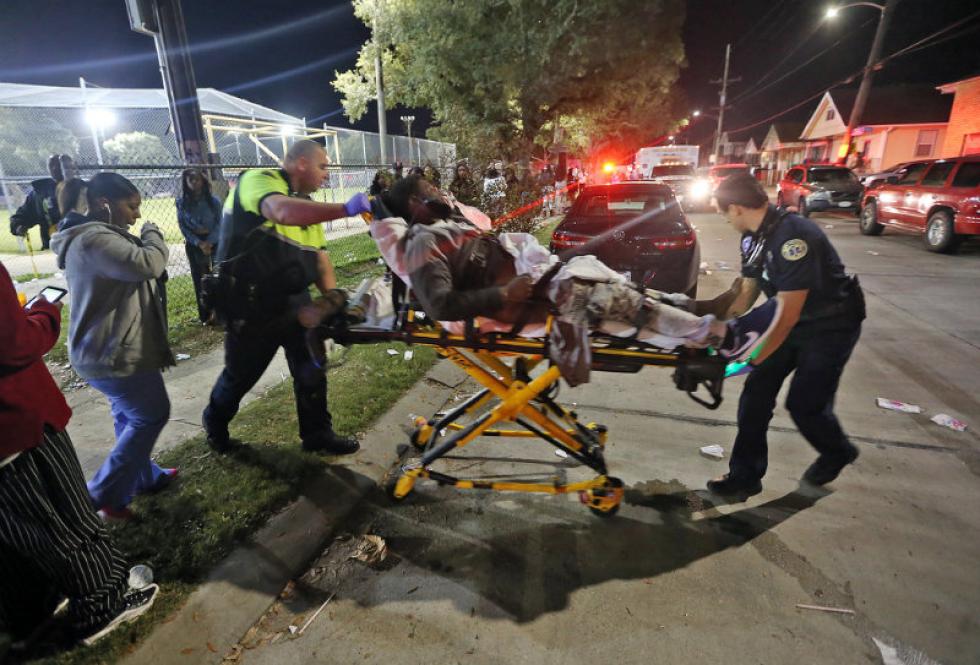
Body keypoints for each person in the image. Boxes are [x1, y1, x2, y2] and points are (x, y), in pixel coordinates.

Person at [368, 175, 775, 356]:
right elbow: (439, 305)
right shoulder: (425, 241)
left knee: (631, 295)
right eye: (432, 190)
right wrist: (502, 294)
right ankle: (719, 335)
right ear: (418, 205)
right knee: (627, 305)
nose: (442, 193)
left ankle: (705, 309)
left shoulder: (451, 227)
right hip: (537, 300)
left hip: (544, 282)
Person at [0, 262, 159, 650]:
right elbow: (15, 343)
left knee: (16, 535)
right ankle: (103, 603)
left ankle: (32, 614)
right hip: (17, 421)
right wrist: (44, 312)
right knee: (63, 519)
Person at [698, 172, 865, 499]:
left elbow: (787, 315)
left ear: (736, 209)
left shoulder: (794, 238)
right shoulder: (752, 238)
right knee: (755, 397)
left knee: (805, 404)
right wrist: (713, 327)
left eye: (723, 213)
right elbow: (747, 293)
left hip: (830, 326)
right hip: (794, 321)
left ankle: (837, 451)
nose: (725, 220)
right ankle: (744, 477)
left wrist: (752, 359)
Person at [203, 139, 370, 455]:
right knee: (240, 377)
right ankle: (215, 424)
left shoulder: (305, 205)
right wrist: (345, 208)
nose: (326, 175)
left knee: (311, 370)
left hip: (296, 302)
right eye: (323, 166)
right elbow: (279, 211)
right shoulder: (260, 180)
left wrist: (334, 300)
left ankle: (318, 435)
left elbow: (320, 259)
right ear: (302, 163)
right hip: (252, 306)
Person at [50, 173, 177, 519]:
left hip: (105, 350)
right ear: (105, 203)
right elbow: (148, 263)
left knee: (128, 415)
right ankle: (103, 493)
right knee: (151, 414)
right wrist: (153, 233)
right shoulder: (93, 240)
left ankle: (142, 478)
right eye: (131, 206)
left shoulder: (97, 236)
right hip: (111, 353)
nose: (136, 215)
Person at [176, 168, 223, 322]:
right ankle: (206, 315)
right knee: (200, 279)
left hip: (214, 241)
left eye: (197, 179)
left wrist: (209, 241)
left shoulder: (213, 201)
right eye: (190, 179)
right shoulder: (182, 203)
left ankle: (220, 312)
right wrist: (199, 242)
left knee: (217, 276)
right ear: (186, 182)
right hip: (195, 243)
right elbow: (183, 227)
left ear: (203, 181)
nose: (194, 182)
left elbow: (220, 223)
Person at [9, 154, 64, 250]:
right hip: (52, 248)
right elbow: (24, 214)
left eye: (59, 164)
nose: (55, 168)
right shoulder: (39, 192)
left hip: (81, 245)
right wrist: (18, 226)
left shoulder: (82, 189)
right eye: (51, 165)